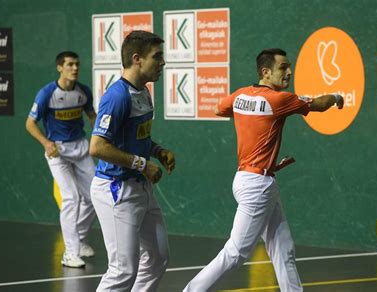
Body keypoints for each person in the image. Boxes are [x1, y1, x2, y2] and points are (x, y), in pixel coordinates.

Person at [183, 48, 344, 292]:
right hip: (257, 185)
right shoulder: (279, 100)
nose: (289, 72)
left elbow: (219, 108)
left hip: (250, 181)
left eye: (289, 66)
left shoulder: (240, 95)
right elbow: (318, 105)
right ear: (266, 72)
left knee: (283, 247)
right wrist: (336, 96)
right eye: (283, 67)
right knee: (236, 253)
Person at [89, 30, 175, 291]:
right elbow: (97, 147)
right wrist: (142, 164)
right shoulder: (117, 96)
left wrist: (158, 151)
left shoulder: (144, 92)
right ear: (137, 59)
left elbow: (138, 137)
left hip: (141, 188)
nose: (162, 62)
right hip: (116, 189)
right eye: (157, 56)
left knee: (158, 258)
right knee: (123, 270)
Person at [25, 51, 97, 268]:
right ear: (60, 67)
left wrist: (99, 138)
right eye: (70, 65)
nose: (74, 68)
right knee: (71, 198)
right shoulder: (47, 93)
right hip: (57, 152)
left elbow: (92, 115)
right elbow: (30, 124)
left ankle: (79, 239)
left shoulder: (83, 92)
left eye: (77, 64)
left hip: (81, 147)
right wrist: (46, 143)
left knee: (95, 195)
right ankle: (70, 253)